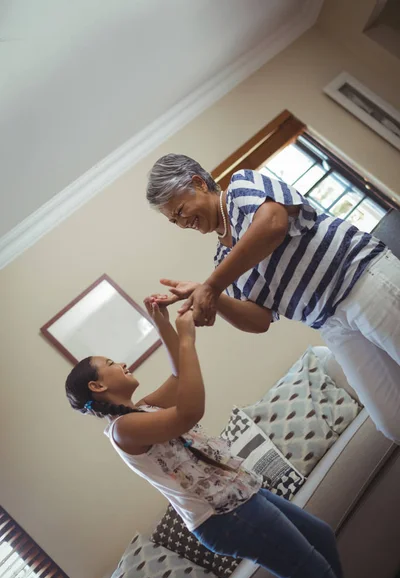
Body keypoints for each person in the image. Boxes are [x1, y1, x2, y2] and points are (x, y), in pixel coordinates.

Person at [65, 300, 349, 578]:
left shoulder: (142, 410)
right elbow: (189, 412)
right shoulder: (122, 429)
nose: (121, 363)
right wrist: (186, 338)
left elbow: (178, 374)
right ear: (97, 386)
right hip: (226, 515)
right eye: (110, 364)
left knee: (321, 537)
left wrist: (163, 324)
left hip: (238, 493)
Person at [146, 154, 400, 444]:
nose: (181, 223)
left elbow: (273, 224)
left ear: (199, 183)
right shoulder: (223, 261)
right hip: (330, 323)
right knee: (392, 421)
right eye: (173, 220)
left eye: (179, 210)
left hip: (361, 278)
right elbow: (260, 319)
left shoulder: (241, 187)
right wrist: (209, 295)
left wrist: (211, 287)